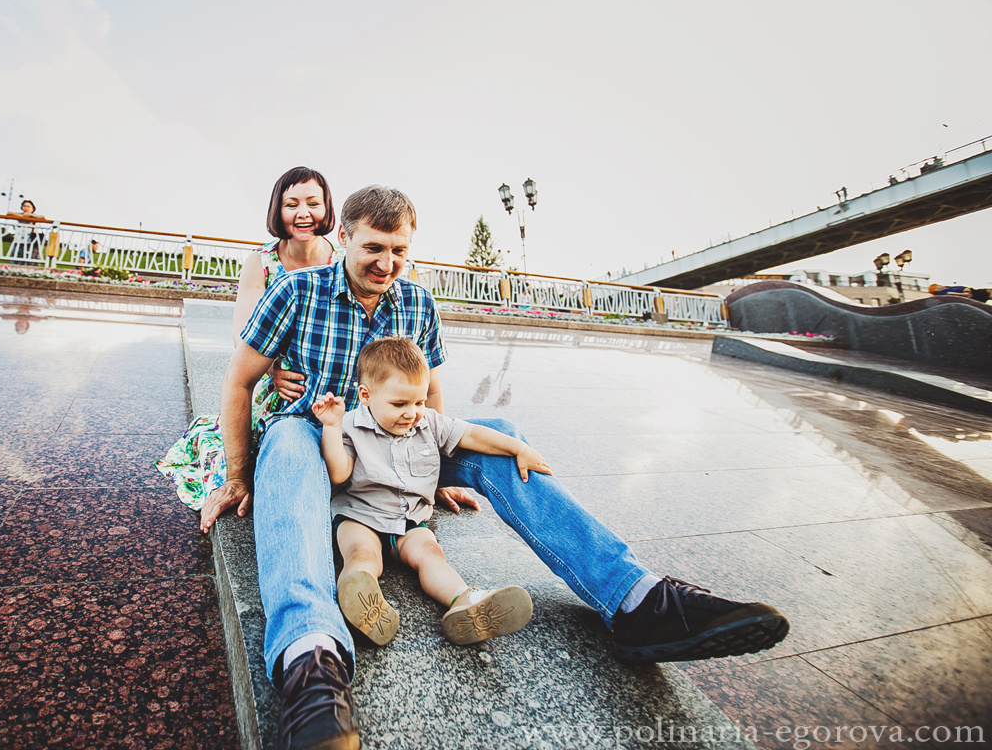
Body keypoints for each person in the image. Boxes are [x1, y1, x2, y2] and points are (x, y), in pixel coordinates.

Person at [200, 185, 789, 750]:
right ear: (346, 236)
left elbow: (431, 396)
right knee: (286, 437)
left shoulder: (416, 301)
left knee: (502, 437)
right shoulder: (297, 291)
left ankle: (638, 600)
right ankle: (312, 662)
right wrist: (236, 475)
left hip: (401, 451)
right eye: (373, 248)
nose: (387, 263)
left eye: (400, 250)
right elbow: (239, 380)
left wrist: (429, 476)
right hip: (325, 449)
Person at [312, 337, 538, 647]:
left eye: (418, 402)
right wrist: (331, 427)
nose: (412, 413)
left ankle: (465, 601)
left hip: (410, 521)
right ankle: (361, 595)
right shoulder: (350, 425)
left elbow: (471, 434)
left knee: (431, 555)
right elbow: (339, 472)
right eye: (399, 404)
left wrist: (518, 447)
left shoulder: (427, 422)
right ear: (366, 395)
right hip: (360, 515)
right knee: (362, 554)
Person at [155, 167, 341, 509]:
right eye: (292, 204)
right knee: (250, 462)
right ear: (278, 211)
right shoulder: (262, 262)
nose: (303, 213)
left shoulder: (343, 261)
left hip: (333, 385)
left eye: (314, 203)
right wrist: (271, 372)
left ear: (327, 208)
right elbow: (244, 334)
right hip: (282, 384)